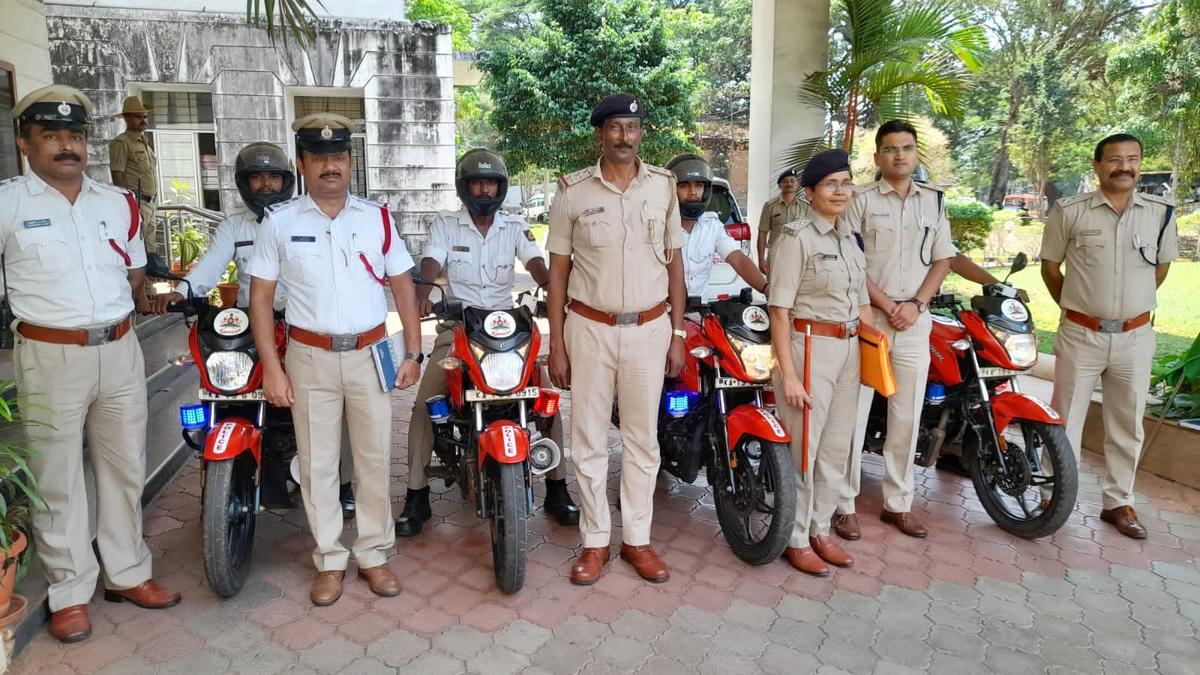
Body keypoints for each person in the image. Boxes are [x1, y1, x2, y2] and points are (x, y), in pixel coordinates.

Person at [2, 85, 179, 643]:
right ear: (25, 143)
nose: (67, 147)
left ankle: (127, 573)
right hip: (49, 354)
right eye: (51, 136)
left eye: (74, 136)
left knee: (125, 468)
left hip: (120, 349)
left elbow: (133, 271)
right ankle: (70, 592)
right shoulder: (8, 203)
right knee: (58, 477)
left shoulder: (117, 202)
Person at [248, 113, 422, 605]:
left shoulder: (376, 218)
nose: (331, 166)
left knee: (374, 458)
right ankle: (328, 558)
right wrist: (272, 368)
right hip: (309, 358)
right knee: (318, 463)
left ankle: (373, 553)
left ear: (350, 162)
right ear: (302, 163)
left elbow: (402, 285)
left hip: (370, 354)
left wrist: (413, 351)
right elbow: (260, 299)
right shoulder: (279, 222)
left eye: (340, 157)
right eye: (320, 157)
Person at [153, 142, 357, 516]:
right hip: (253, 325)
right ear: (243, 183)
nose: (265, 185)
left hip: (302, 326)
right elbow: (211, 264)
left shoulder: (308, 218)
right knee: (226, 389)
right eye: (257, 177)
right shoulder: (235, 225)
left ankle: (342, 484)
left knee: (333, 401)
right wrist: (183, 291)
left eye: (273, 177)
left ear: (287, 180)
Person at [396, 148, 579, 536]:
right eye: (477, 183)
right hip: (458, 328)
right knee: (426, 403)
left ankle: (558, 488)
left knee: (545, 399)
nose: (484, 190)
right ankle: (416, 494)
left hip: (507, 328)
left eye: (491, 184)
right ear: (464, 187)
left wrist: (553, 288)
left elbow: (535, 262)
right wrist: (424, 293)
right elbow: (431, 262)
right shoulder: (446, 224)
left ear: (501, 188)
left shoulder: (513, 225)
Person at [546, 93, 686, 585]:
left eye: (632, 127)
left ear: (641, 133)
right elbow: (558, 271)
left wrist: (677, 333)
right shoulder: (573, 191)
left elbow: (675, 265)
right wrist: (556, 343)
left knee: (642, 439)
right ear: (600, 134)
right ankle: (595, 542)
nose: (624, 137)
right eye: (615, 128)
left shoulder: (664, 186)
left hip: (649, 329)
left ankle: (638, 541)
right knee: (588, 439)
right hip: (589, 329)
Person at [1040, 133, 1177, 539]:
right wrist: (1078, 308)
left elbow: (1161, 269)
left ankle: (1119, 502)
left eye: (1132, 159)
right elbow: (1050, 268)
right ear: (1098, 166)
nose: (1124, 167)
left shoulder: (1160, 214)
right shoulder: (1069, 211)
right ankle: (1051, 496)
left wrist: (1128, 310)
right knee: (1065, 419)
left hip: (1135, 337)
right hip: (1081, 334)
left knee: (1127, 423)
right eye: (1115, 159)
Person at [835, 120, 956, 540]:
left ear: (916, 153)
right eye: (890, 149)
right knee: (853, 415)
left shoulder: (934, 201)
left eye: (906, 148)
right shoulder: (860, 200)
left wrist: (916, 304)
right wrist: (888, 306)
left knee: (907, 417)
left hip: (914, 322)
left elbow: (943, 259)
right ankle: (843, 504)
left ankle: (898, 504)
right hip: (868, 320)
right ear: (877, 157)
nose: (899, 155)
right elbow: (851, 261)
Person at [768, 150, 872, 576]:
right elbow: (779, 311)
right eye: (831, 184)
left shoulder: (850, 239)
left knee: (835, 448)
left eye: (846, 183)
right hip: (809, 347)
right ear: (809, 193)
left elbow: (862, 302)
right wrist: (789, 375)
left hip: (849, 350)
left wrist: (873, 352)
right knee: (804, 450)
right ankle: (795, 538)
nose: (841, 191)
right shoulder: (796, 238)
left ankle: (821, 529)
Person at [665, 153, 767, 297]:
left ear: (706, 190)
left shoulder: (712, 226)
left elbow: (738, 259)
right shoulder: (659, 226)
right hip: (665, 307)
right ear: (671, 190)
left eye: (699, 186)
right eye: (684, 186)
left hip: (700, 308)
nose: (693, 192)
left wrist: (766, 289)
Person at [109, 96, 161, 256]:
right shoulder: (122, 143)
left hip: (150, 203)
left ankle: (149, 273)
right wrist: (128, 206)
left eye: (145, 116)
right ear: (127, 118)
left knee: (150, 250)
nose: (143, 120)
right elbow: (117, 176)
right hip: (136, 203)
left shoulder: (144, 142)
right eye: (138, 116)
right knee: (138, 250)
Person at [756, 168, 806, 275]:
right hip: (776, 255)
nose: (789, 184)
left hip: (800, 256)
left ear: (798, 184)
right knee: (775, 284)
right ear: (780, 185)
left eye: (792, 181)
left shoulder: (806, 207)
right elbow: (762, 233)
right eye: (785, 181)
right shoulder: (770, 206)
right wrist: (761, 259)